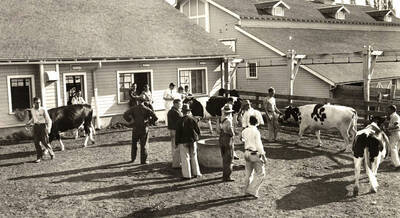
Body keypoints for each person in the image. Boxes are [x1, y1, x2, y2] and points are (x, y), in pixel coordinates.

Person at [123, 96, 158, 164]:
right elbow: (155, 117)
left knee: (134, 144)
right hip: (144, 128)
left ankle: (133, 158)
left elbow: (125, 114)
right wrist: (149, 122)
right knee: (144, 144)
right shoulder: (147, 109)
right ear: (144, 101)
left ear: (138, 101)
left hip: (135, 128)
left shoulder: (133, 108)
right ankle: (143, 160)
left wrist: (130, 120)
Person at [241, 116, 267, 198]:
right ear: (257, 123)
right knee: (261, 174)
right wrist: (263, 156)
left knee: (248, 174)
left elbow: (242, 139)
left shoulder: (244, 130)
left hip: (246, 153)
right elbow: (259, 145)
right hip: (254, 154)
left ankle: (246, 191)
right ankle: (252, 191)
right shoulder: (256, 131)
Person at [175, 104, 202, 179]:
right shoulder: (193, 119)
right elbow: (198, 130)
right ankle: (197, 173)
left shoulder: (179, 121)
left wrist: (176, 143)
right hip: (192, 140)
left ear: (182, 112)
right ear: (189, 111)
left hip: (183, 141)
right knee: (194, 156)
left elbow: (178, 133)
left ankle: (187, 175)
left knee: (185, 158)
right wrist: (197, 136)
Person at [26, 97, 55, 163]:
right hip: (36, 127)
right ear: (34, 103)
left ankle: (51, 153)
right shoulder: (32, 110)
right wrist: (29, 123)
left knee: (45, 142)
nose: (38, 104)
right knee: (36, 142)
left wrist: (49, 128)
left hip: (43, 127)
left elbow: (49, 120)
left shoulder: (43, 109)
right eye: (36, 103)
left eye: (39, 102)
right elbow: (34, 118)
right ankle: (39, 157)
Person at [219, 104, 236, 182]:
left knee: (224, 157)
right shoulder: (228, 120)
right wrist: (233, 134)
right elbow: (231, 132)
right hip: (227, 139)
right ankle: (227, 176)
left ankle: (224, 174)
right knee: (229, 158)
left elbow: (217, 130)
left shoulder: (221, 119)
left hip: (221, 138)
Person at [167, 99, 183, 169]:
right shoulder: (175, 112)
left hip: (173, 130)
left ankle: (176, 162)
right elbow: (181, 120)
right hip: (175, 130)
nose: (180, 105)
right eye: (179, 104)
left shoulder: (172, 111)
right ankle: (176, 164)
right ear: (175, 104)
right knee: (176, 147)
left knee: (174, 146)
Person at [386, 105, 400, 170]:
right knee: (395, 149)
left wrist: (388, 128)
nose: (387, 111)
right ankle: (393, 162)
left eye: (389, 110)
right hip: (395, 133)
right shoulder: (393, 116)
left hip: (395, 134)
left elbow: (396, 126)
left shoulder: (395, 116)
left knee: (393, 149)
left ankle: (397, 165)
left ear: (392, 110)